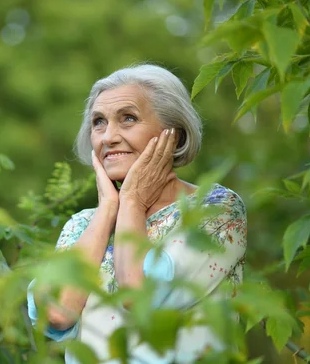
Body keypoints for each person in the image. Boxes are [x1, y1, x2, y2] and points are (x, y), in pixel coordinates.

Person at [27, 64, 247, 363]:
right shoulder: (82, 225)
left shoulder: (216, 208)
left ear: (175, 134)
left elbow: (139, 296)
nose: (108, 137)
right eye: (99, 123)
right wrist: (107, 209)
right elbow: (56, 314)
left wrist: (131, 200)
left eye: (128, 118)